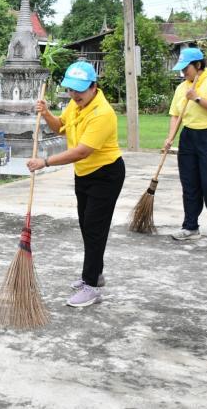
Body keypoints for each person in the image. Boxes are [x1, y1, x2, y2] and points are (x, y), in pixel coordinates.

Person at [27, 61, 124, 308]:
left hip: (105, 175)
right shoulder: (75, 105)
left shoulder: (102, 113)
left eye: (79, 90)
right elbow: (60, 127)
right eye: (70, 89)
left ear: (94, 87)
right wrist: (46, 113)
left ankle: (91, 286)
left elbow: (82, 151)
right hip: (84, 175)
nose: (74, 94)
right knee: (87, 226)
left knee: (94, 228)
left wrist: (45, 162)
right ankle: (95, 274)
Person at [164, 47, 207, 240]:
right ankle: (190, 226)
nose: (183, 73)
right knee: (189, 184)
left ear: (198, 65)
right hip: (189, 136)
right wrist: (170, 137)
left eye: (186, 69)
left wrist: (197, 98)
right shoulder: (182, 87)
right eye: (182, 69)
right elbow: (175, 114)